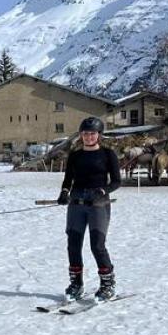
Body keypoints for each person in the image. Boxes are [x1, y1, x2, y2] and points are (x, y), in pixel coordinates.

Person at [57, 116, 121, 302]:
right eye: (85, 134)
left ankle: (107, 285)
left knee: (97, 246)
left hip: (98, 204)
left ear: (99, 135)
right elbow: (68, 179)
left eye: (92, 134)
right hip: (76, 203)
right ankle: (76, 284)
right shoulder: (75, 155)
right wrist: (64, 192)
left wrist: (103, 190)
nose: (89, 137)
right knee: (73, 245)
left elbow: (116, 181)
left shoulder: (108, 154)